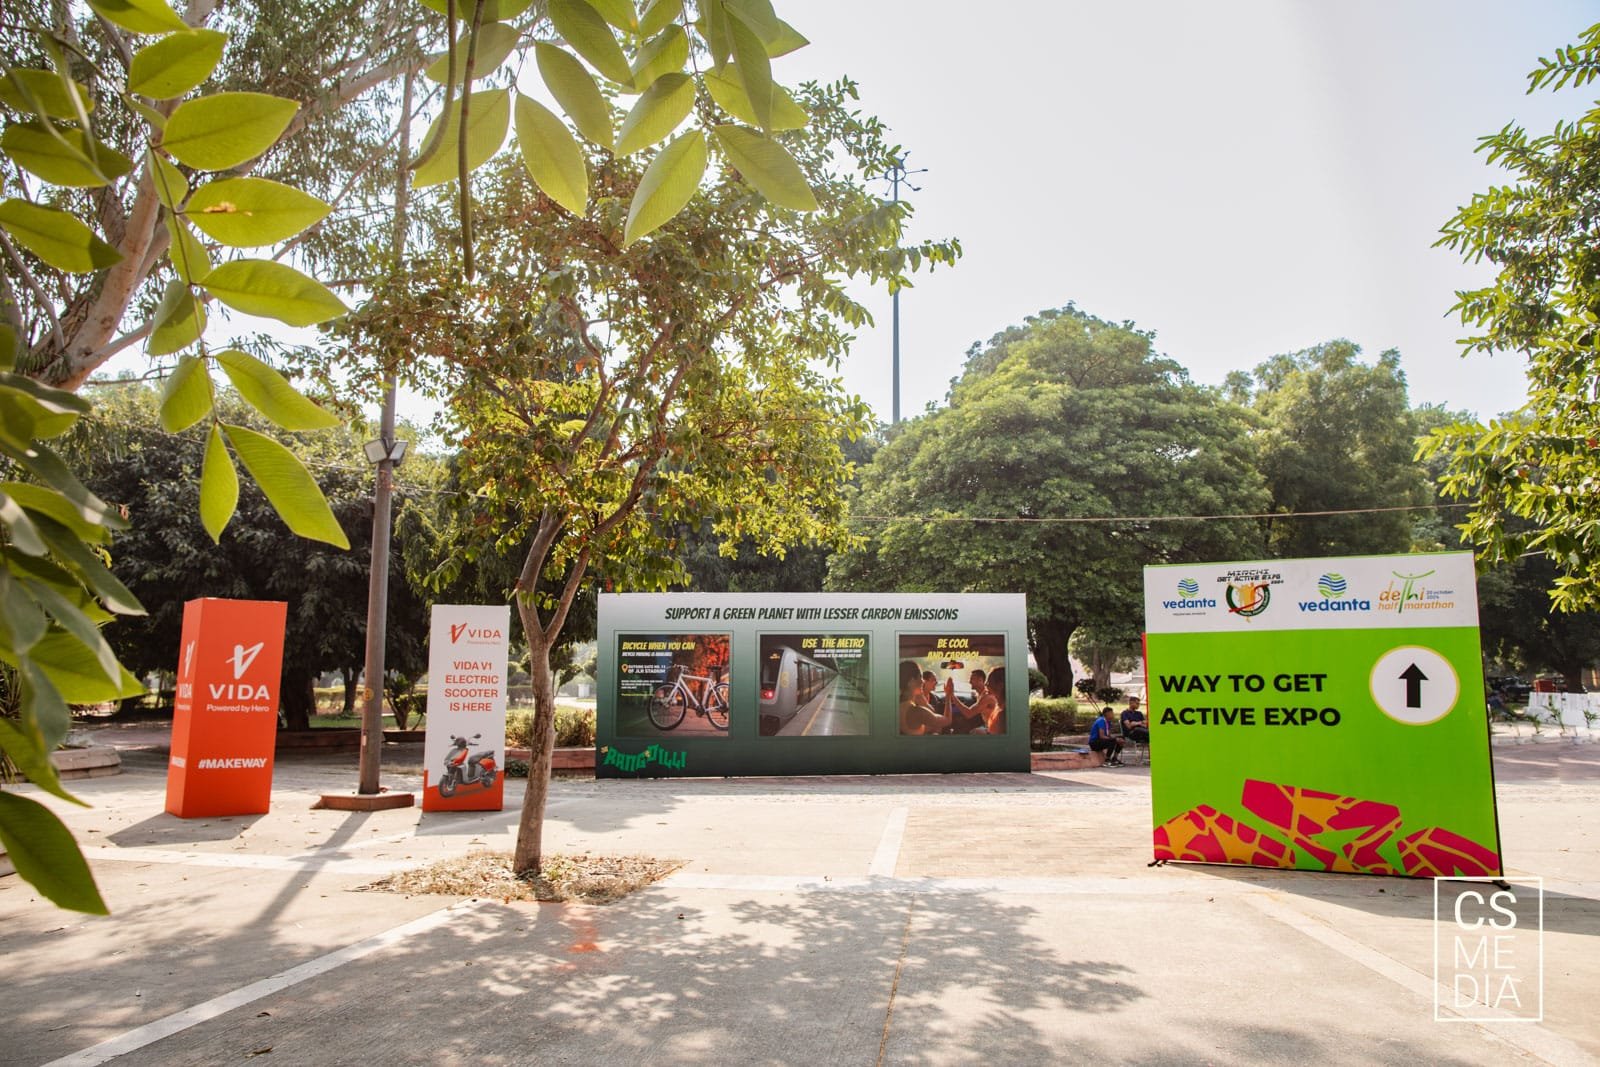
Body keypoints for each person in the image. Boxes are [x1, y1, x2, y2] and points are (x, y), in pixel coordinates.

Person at [899, 660, 951, 735]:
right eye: (920, 677)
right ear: (911, 681)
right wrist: (948, 694)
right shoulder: (917, 712)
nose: (923, 681)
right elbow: (947, 720)